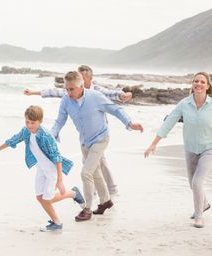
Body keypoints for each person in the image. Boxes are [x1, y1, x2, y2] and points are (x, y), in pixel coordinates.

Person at [24, 65, 131, 195]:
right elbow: (54, 92)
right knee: (95, 163)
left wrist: (122, 95)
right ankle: (104, 192)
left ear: (89, 79)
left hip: (99, 133)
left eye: (83, 76)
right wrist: (34, 92)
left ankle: (105, 191)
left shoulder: (96, 91)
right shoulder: (70, 93)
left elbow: (112, 95)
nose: (80, 78)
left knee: (93, 165)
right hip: (85, 137)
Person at [51, 71, 143, 221]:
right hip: (85, 142)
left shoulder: (95, 96)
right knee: (95, 173)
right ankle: (105, 201)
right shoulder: (66, 101)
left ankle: (87, 209)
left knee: (86, 173)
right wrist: (52, 134)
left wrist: (129, 123)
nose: (69, 92)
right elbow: (59, 121)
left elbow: (116, 109)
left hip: (101, 139)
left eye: (72, 89)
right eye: (67, 89)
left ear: (81, 86)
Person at [0, 105, 85, 232]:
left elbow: (57, 157)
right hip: (41, 168)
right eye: (27, 122)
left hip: (52, 170)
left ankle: (61, 215)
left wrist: (60, 180)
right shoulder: (26, 131)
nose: (29, 125)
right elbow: (14, 139)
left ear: (40, 121)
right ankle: (71, 197)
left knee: (47, 199)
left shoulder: (46, 136)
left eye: (33, 123)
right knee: (40, 197)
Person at [144, 72, 212, 229]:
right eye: (196, 81)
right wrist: (154, 143)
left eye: (202, 82)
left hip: (209, 149)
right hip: (190, 149)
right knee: (192, 184)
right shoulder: (184, 104)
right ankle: (205, 204)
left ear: (207, 86)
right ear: (192, 84)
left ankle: (199, 216)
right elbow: (169, 122)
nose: (199, 84)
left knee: (197, 182)